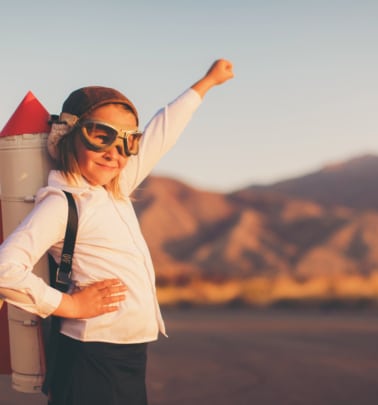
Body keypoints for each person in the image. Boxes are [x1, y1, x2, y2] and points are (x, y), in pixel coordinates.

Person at [0, 59, 234, 405]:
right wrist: (69, 304)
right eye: (101, 136)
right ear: (67, 135)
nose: (115, 152)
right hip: (92, 357)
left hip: (127, 355)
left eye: (128, 141)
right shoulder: (63, 203)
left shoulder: (114, 188)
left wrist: (206, 83)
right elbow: (5, 269)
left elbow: (162, 132)